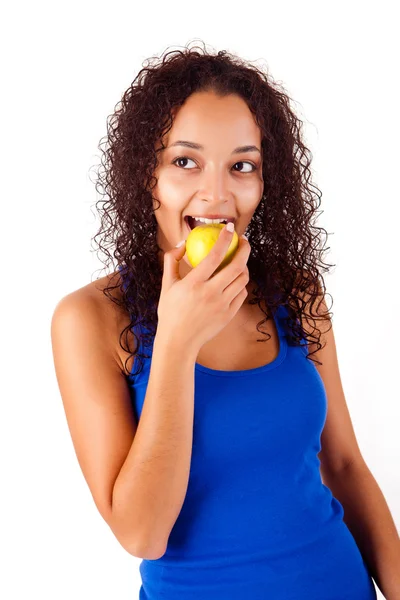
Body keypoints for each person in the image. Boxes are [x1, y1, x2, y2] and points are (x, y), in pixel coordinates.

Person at [50, 42, 399, 599]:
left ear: (264, 183)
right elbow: (142, 533)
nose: (216, 194)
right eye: (185, 161)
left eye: (242, 165)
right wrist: (177, 341)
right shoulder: (88, 318)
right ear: (149, 177)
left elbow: (346, 465)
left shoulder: (295, 292)